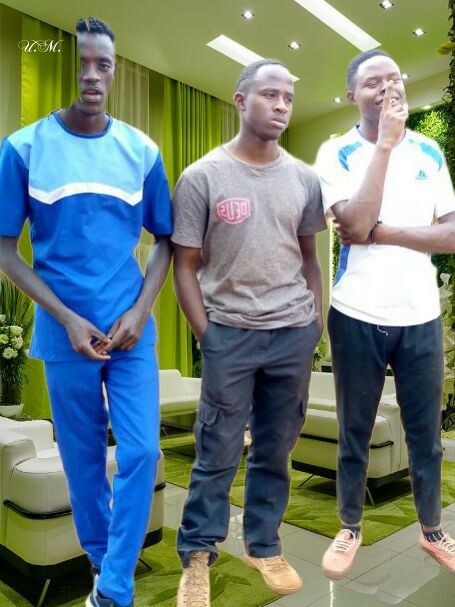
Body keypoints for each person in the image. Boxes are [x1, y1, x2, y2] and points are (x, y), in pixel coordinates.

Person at [0, 17, 173, 607]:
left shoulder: (141, 150)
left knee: (142, 451)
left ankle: (115, 585)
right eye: (82, 63)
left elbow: (165, 241)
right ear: (67, 69)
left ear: (114, 71)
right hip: (63, 332)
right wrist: (67, 317)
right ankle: (105, 572)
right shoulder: (23, 148)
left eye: (104, 64)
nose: (92, 74)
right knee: (82, 462)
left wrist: (141, 310)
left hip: (130, 332)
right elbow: (6, 250)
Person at [171, 58, 326, 606]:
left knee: (276, 450)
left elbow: (310, 257)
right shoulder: (203, 176)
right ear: (241, 100)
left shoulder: (304, 179)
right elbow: (184, 264)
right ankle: (198, 553)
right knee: (216, 449)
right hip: (229, 334)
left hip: (292, 333)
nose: (281, 105)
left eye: (288, 97)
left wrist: (314, 323)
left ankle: (264, 544)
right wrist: (206, 334)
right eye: (269, 94)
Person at [315, 49, 455, 579]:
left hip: (420, 313)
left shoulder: (430, 151)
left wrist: (386, 233)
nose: (389, 87)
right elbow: (352, 225)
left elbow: (451, 235)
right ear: (352, 94)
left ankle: (432, 530)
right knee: (355, 429)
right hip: (356, 310)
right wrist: (385, 146)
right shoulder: (336, 151)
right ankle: (349, 526)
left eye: (395, 78)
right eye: (375, 82)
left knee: (426, 435)